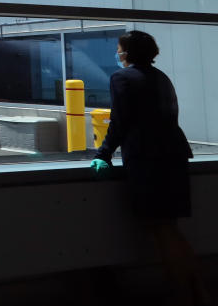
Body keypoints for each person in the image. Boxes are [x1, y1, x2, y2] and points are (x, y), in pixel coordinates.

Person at [90, 30, 210, 305]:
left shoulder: (121, 78)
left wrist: (103, 154)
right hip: (174, 155)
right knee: (170, 229)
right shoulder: (162, 77)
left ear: (127, 52)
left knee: (161, 230)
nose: (117, 54)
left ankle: (185, 294)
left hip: (148, 160)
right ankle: (196, 291)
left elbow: (120, 121)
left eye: (119, 49)